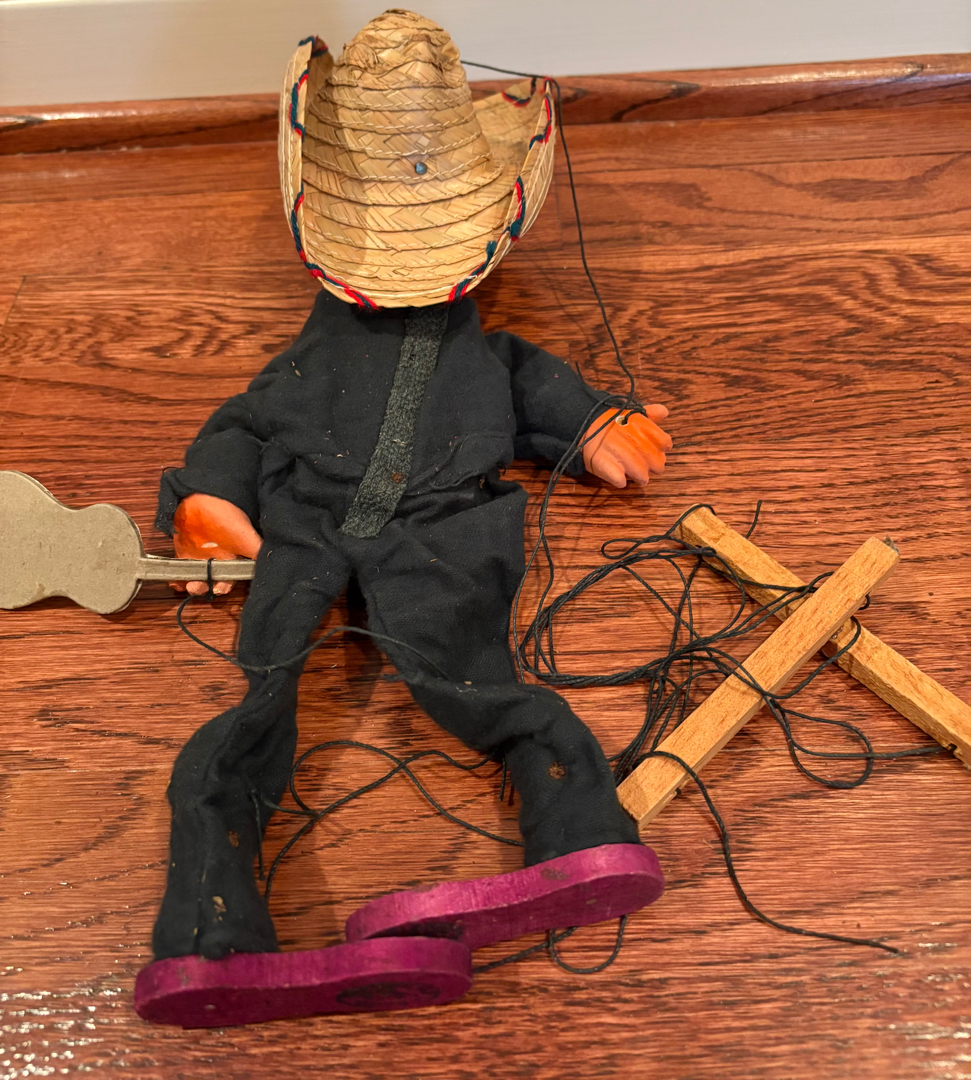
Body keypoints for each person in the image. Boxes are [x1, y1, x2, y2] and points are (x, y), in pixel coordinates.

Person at [138, 11, 672, 1024]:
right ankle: (211, 929)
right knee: (259, 704)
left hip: (445, 526)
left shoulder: (488, 355)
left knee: (481, 684)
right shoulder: (302, 362)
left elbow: (534, 387)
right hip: (304, 526)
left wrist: (591, 419)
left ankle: (580, 838)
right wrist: (212, 495)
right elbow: (241, 424)